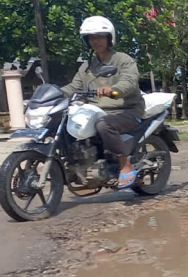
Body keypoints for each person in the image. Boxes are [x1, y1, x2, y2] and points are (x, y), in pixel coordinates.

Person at [62, 16, 145, 189]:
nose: (96, 41)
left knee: (104, 125)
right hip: (96, 110)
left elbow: (129, 82)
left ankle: (124, 164)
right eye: (91, 37)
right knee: (65, 123)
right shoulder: (87, 66)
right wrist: (53, 94)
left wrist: (113, 89)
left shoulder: (123, 60)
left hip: (127, 109)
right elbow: (74, 86)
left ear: (109, 38)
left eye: (100, 36)